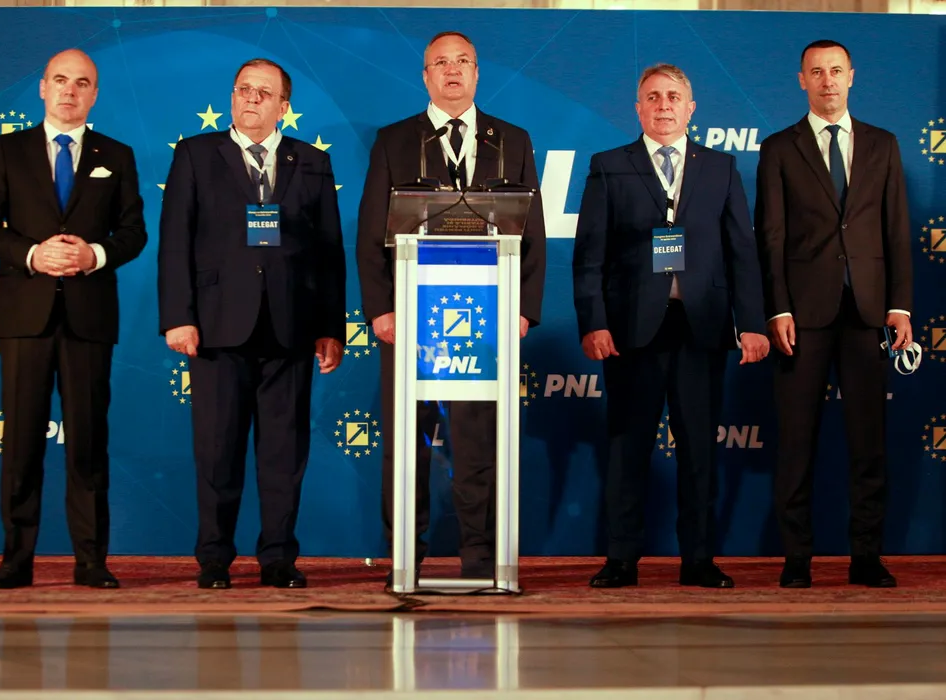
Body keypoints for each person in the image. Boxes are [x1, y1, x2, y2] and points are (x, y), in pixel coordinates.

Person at [356, 31, 547, 584]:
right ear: (426, 76)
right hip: (410, 317)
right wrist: (381, 310)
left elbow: (532, 235)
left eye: (463, 60)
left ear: (478, 72)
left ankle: (481, 555)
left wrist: (522, 309)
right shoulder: (395, 140)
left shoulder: (512, 140)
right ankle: (404, 555)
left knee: (477, 439)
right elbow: (370, 234)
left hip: (484, 318)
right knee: (406, 441)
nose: (453, 70)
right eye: (441, 62)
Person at [572, 63, 769, 589]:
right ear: (638, 108)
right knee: (627, 448)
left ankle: (699, 560)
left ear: (691, 108)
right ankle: (621, 559)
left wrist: (752, 323)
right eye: (654, 97)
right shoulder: (609, 165)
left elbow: (742, 252)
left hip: (702, 328)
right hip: (631, 330)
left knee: (700, 450)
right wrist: (594, 322)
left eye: (674, 97)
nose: (664, 105)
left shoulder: (721, 167)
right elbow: (589, 255)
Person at [158, 58, 346, 590]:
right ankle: (214, 557)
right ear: (232, 97)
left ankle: (278, 558)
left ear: (284, 106)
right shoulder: (195, 154)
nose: (252, 99)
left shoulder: (311, 161)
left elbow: (329, 252)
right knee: (217, 450)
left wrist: (331, 327)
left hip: (291, 327)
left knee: (284, 454)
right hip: (216, 326)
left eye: (265, 93)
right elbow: (175, 241)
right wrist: (178, 317)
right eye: (244, 89)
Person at [0, 48, 147, 589]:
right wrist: (31, 254)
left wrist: (94, 254)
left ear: (95, 94)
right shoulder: (8, 149)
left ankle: (91, 561)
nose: (70, 90)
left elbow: (133, 233)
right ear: (43, 87)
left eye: (82, 82)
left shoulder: (117, 154)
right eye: (61, 80)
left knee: (88, 443)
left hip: (89, 317)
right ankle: (16, 560)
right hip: (25, 315)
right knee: (21, 442)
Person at [754, 40, 913, 589]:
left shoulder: (883, 144)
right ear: (802, 80)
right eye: (817, 72)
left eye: (836, 71)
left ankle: (866, 556)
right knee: (797, 442)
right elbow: (770, 238)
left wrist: (899, 305)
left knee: (869, 443)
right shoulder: (779, 147)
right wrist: (776, 307)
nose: (828, 81)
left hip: (868, 313)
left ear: (852, 77)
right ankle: (797, 558)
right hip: (802, 316)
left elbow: (896, 230)